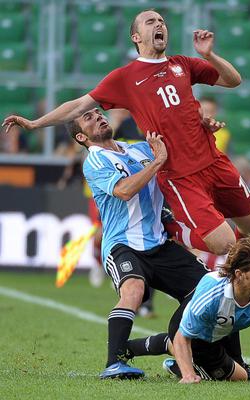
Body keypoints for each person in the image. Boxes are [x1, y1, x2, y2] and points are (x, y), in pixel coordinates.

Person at [3, 9, 250, 257]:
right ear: (136, 37)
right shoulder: (124, 78)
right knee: (225, 244)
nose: (159, 24)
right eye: (150, 22)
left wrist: (209, 55)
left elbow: (233, 80)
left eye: (161, 20)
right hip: (180, 175)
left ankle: (249, 285)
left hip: (214, 161)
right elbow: (77, 106)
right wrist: (35, 124)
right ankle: (172, 229)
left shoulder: (182, 64)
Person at [66, 108, 211, 380]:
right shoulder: (95, 161)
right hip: (123, 244)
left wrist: (201, 126)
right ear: (81, 137)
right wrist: (157, 163)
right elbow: (123, 190)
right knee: (133, 290)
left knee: (210, 292)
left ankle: (189, 353)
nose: (97, 115)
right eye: (88, 117)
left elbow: (178, 144)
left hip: (159, 243)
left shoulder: (140, 148)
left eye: (98, 112)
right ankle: (114, 362)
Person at [125, 235, 250, 386]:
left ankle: (133, 348)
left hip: (225, 328)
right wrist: (189, 375)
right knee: (240, 377)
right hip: (191, 332)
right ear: (240, 274)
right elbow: (183, 337)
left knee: (240, 367)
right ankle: (184, 365)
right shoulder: (213, 293)